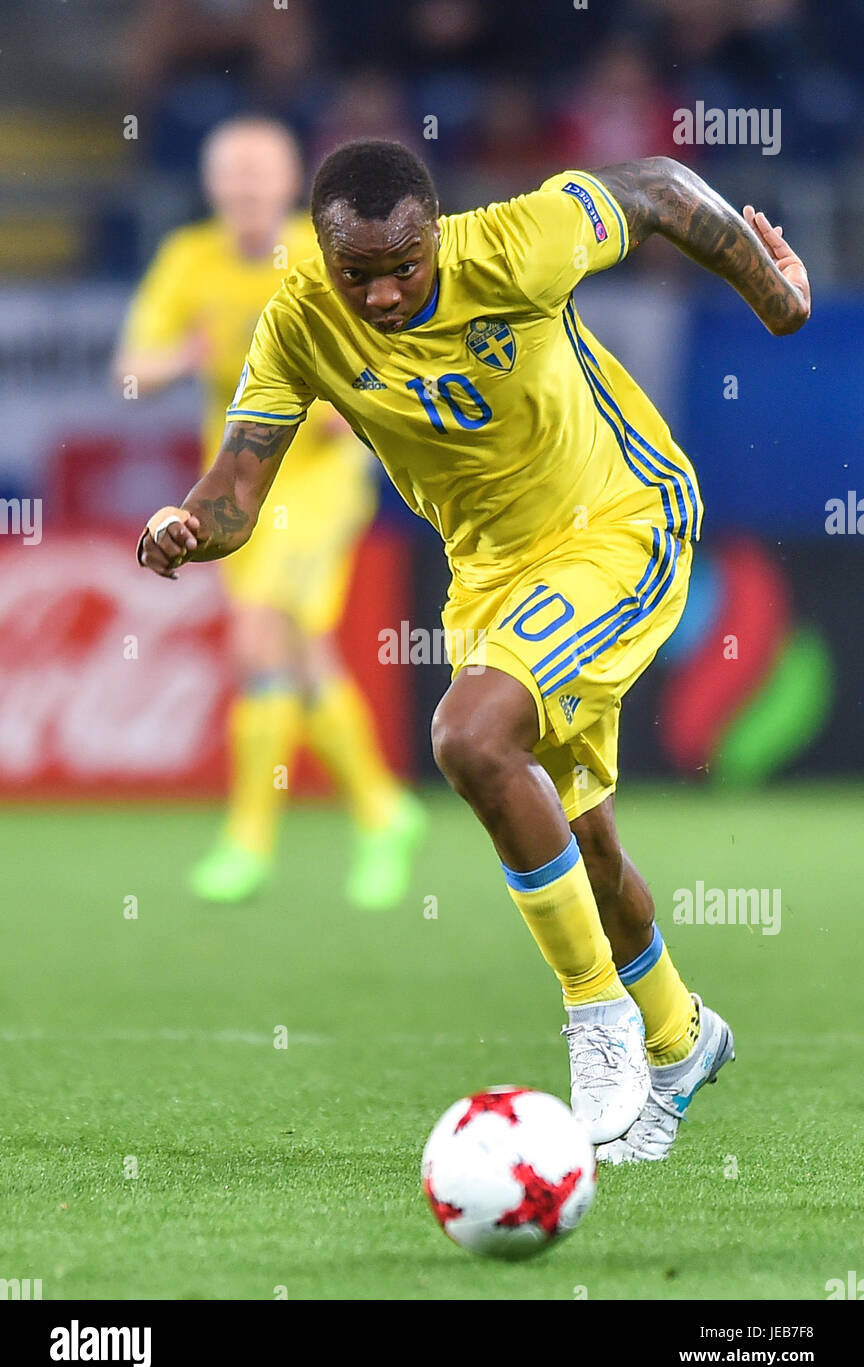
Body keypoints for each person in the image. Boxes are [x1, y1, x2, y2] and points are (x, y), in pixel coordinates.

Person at [136, 140, 810, 1159]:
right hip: (491, 574)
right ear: (319, 252)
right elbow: (235, 492)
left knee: (469, 735)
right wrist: (186, 528)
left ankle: (599, 1018)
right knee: (585, 841)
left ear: (434, 227)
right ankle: (680, 1035)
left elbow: (662, 191)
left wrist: (779, 299)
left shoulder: (522, 243)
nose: (384, 292)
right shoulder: (299, 324)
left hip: (620, 520)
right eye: (355, 272)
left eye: (405, 263)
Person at [117, 121, 424, 909]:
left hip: (319, 478)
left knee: (262, 631)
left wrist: (349, 405)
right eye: (234, 179)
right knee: (301, 648)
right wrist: (180, 359)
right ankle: (381, 810)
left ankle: (249, 839)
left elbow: (389, 348)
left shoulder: (322, 253)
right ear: (214, 187)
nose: (248, 193)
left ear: (291, 185)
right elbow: (133, 370)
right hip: (241, 482)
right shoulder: (190, 259)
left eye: (262, 179)